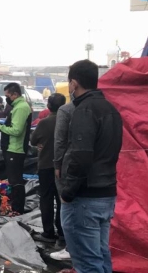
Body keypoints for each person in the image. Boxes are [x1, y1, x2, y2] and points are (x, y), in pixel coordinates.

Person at [58, 60, 122, 273]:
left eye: (69, 82)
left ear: (74, 83)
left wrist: (67, 192)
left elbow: (81, 156)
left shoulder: (84, 110)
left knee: (87, 263)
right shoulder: (111, 109)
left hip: (84, 198)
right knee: (100, 257)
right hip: (106, 194)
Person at [30, 93, 66, 244]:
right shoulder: (68, 121)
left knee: (46, 199)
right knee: (62, 200)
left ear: (49, 106)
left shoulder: (44, 122)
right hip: (63, 166)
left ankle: (48, 233)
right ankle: (63, 232)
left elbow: (33, 140)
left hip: (46, 164)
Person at [0, 83, 32, 215]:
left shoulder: (21, 108)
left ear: (15, 94)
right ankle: (15, 208)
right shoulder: (17, 106)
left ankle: (17, 209)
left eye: (7, 95)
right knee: (13, 180)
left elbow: (17, 130)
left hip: (16, 149)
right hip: (12, 148)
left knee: (16, 181)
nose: (6, 98)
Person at [49, 99, 76, 261]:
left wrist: (58, 164)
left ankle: (69, 246)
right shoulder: (108, 108)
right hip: (102, 177)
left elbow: (59, 141)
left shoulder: (66, 111)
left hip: (69, 167)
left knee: (66, 203)